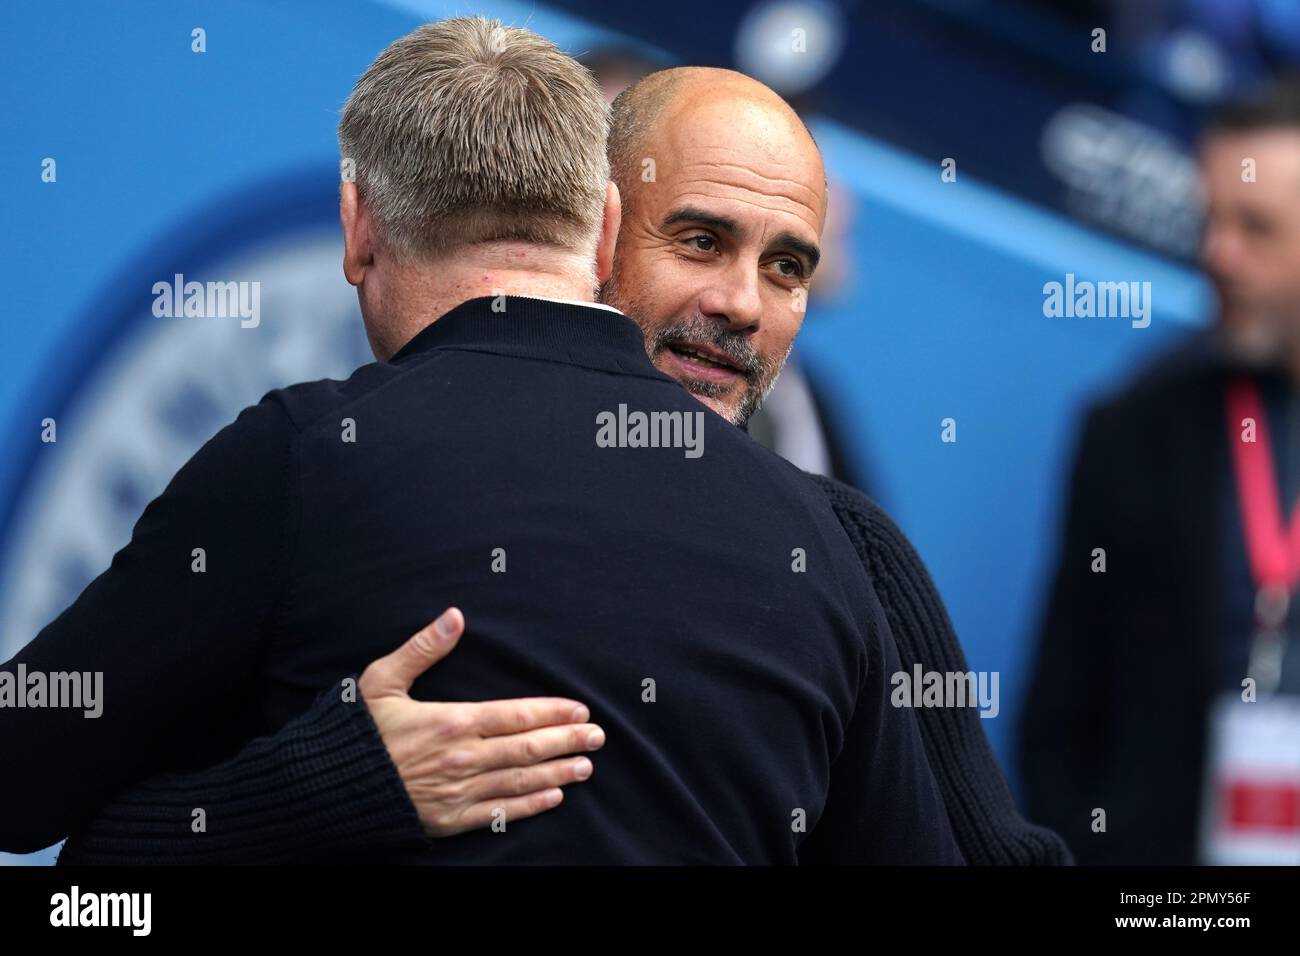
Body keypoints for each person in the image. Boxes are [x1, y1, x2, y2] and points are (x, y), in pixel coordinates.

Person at [50, 63, 1068, 867]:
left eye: (786, 267)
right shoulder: (328, 461)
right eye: (701, 239)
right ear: (596, 228)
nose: (743, 305)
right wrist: (330, 782)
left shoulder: (855, 551)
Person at [1020, 75, 1300, 865]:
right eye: (1209, 220)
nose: (1217, 253)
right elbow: (1062, 712)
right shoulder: (1136, 423)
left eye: (1257, 227)